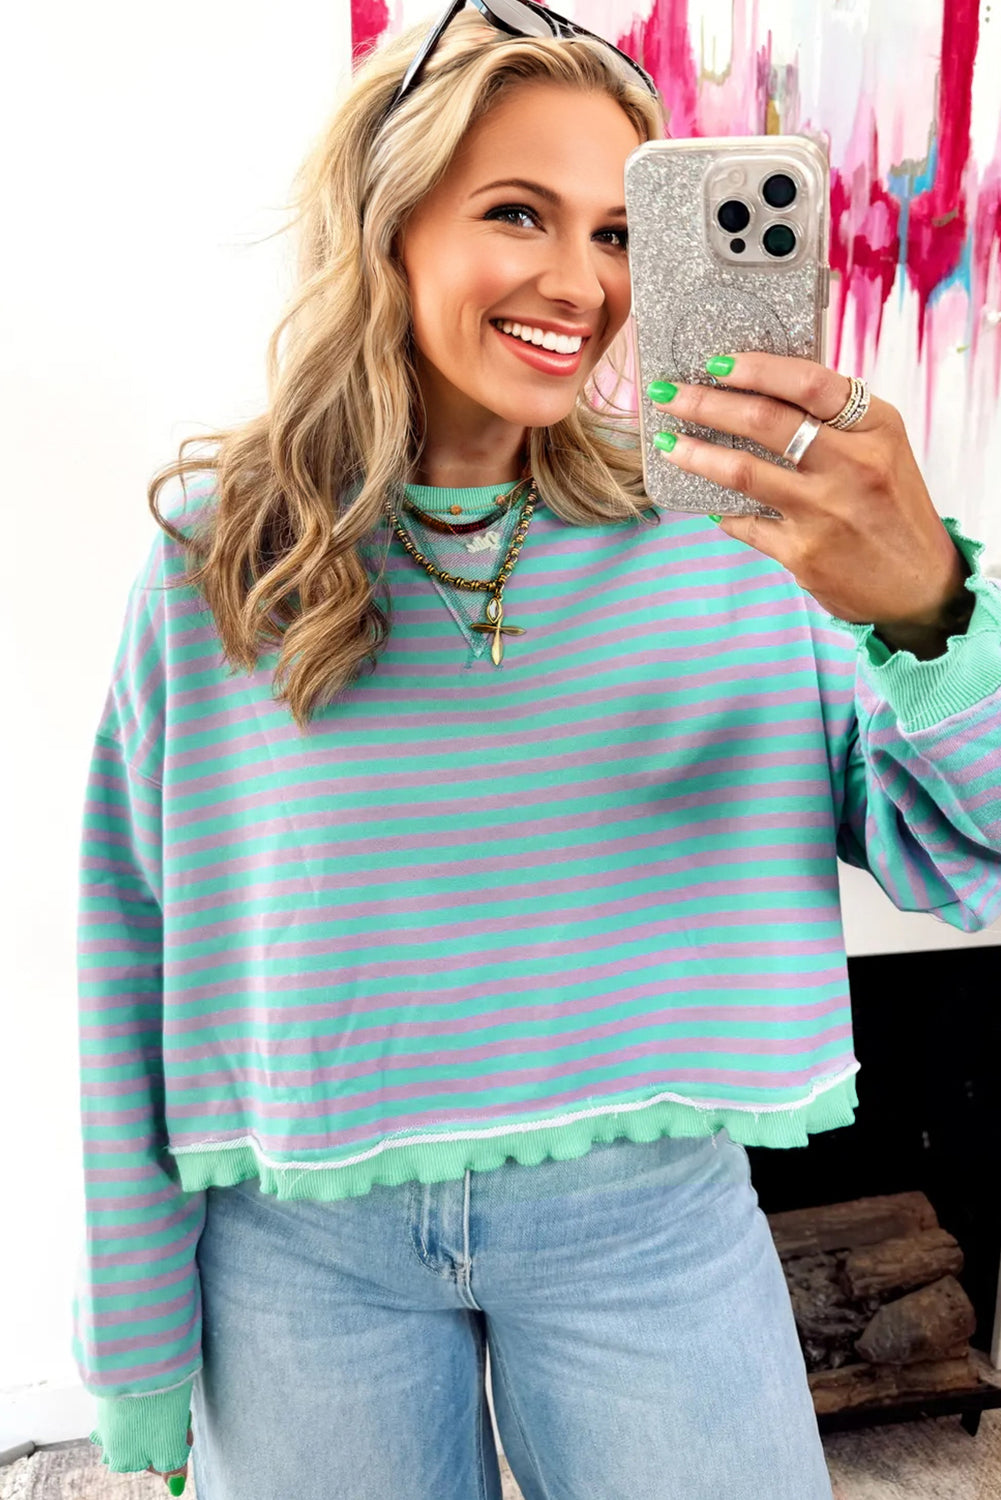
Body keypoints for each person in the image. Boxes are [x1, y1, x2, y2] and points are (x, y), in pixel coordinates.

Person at [70, 3, 1001, 1497]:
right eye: (518, 212)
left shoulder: (734, 538)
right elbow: (130, 947)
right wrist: (132, 1338)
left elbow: (963, 852)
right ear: (389, 222)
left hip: (649, 1230)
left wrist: (931, 612)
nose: (581, 282)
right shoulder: (218, 553)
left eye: (619, 231)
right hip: (301, 1255)